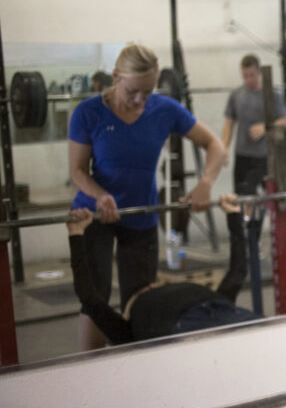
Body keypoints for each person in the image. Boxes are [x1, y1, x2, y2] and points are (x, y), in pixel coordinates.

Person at [69, 43, 227, 350]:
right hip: (94, 216)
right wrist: (101, 196)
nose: (140, 99)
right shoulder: (87, 113)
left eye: (148, 90)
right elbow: (77, 171)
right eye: (132, 91)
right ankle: (90, 372)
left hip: (140, 215)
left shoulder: (164, 109)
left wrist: (206, 182)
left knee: (140, 299)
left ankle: (137, 368)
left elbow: (216, 146)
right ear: (116, 76)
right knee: (94, 299)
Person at [67, 195, 257, 344]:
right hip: (193, 325)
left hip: (227, 313)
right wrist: (76, 234)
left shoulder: (219, 298)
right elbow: (89, 298)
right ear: (126, 311)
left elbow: (238, 272)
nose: (151, 285)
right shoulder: (127, 332)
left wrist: (233, 215)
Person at [221, 54, 286, 197]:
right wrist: (223, 149)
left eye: (251, 75)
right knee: (241, 198)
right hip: (242, 156)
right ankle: (245, 219)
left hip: (265, 157)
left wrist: (266, 127)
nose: (248, 79)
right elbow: (229, 124)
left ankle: (257, 220)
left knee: (266, 199)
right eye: (245, 76)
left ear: (259, 72)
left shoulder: (273, 94)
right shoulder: (236, 95)